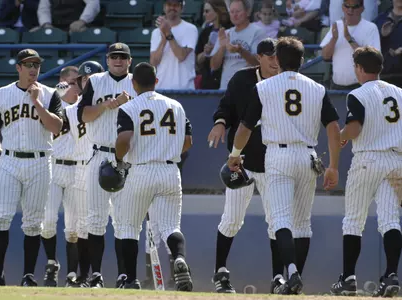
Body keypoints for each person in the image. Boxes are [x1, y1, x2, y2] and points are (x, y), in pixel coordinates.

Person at [227, 36, 341, 294]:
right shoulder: (317, 88)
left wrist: (235, 154)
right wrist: (333, 165)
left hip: (278, 155)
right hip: (308, 156)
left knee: (280, 219)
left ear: (277, 59)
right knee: (303, 223)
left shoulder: (265, 87)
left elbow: (245, 127)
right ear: (302, 60)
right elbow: (334, 128)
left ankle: (290, 270)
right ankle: (294, 281)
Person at [207, 38, 291, 294]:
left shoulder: (289, 81)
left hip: (274, 161)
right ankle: (220, 272)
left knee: (276, 221)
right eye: (270, 56)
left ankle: (278, 277)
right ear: (259, 58)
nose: (275, 61)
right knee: (231, 219)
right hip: (241, 161)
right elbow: (226, 107)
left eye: (278, 56)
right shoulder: (242, 79)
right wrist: (220, 122)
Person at [0, 49, 64, 286]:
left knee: (33, 222)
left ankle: (28, 275)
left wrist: (36, 102)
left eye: (37, 64)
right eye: (28, 64)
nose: (33, 69)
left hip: (40, 160)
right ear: (18, 68)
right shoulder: (3, 93)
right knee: (1, 217)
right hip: (10, 159)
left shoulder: (50, 94)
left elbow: (56, 127)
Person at [113, 62, 193, 290]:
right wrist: (168, 152)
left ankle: (131, 280)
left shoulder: (129, 107)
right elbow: (188, 141)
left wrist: (118, 160)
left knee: (129, 227)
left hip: (141, 169)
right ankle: (179, 258)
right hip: (170, 170)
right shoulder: (176, 105)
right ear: (156, 82)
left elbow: (124, 140)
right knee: (170, 226)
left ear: (133, 83)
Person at [330, 46, 402, 297]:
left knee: (353, 220)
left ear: (359, 68)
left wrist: (339, 138)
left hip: (367, 159)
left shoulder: (357, 94)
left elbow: (354, 128)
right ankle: (391, 275)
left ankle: (348, 278)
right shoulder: (400, 93)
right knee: (390, 220)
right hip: (396, 160)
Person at [77, 43, 134, 288]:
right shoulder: (96, 81)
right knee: (95, 219)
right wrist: (106, 105)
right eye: (114, 57)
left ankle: (124, 275)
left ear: (129, 61)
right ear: (107, 59)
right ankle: (96, 275)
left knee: (124, 219)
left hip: (129, 157)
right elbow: (83, 115)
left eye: (123, 57)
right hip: (100, 152)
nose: (118, 61)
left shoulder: (136, 82)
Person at [40, 63, 103, 288]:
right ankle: (51, 263)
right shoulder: (53, 102)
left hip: (79, 168)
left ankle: (73, 275)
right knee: (46, 222)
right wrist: (59, 91)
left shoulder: (85, 105)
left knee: (74, 228)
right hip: (54, 166)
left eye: (81, 81)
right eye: (75, 81)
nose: (78, 86)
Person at [320, 0, 380, 90]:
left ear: (362, 8)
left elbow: (370, 59)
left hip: (360, 87)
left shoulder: (371, 28)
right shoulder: (337, 25)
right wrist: (334, 39)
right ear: (343, 7)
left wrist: (348, 38)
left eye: (355, 7)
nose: (350, 10)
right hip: (336, 86)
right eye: (347, 6)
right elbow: (325, 56)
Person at [210, 0, 266, 89]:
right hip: (226, 90)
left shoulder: (258, 32)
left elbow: (259, 63)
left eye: (238, 11)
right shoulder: (225, 34)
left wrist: (240, 51)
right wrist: (222, 47)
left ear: (247, 12)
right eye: (232, 12)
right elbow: (213, 66)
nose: (234, 15)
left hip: (247, 89)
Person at [150, 0, 199, 90]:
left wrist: (168, 33)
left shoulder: (191, 29)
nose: (172, 8)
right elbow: (153, 62)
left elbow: (181, 56)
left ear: (181, 8)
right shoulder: (156, 32)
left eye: (176, 5)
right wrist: (163, 40)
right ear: (164, 7)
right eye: (169, 4)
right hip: (161, 88)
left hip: (185, 89)